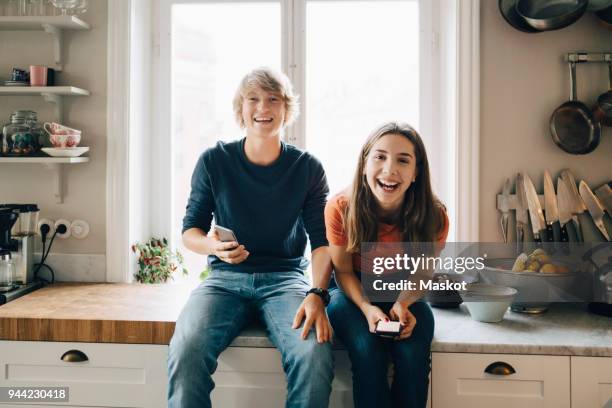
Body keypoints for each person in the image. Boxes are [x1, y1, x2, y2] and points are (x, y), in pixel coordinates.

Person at [168, 67, 335, 408]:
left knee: (313, 353)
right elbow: (190, 231)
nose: (264, 107)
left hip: (286, 281)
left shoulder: (308, 168)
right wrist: (212, 246)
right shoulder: (214, 161)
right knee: (186, 348)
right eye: (254, 99)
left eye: (274, 99)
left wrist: (317, 292)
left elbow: (322, 242)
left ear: (286, 110)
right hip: (224, 280)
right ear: (240, 110)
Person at [325, 121, 449, 408]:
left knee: (412, 356)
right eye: (379, 157)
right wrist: (368, 308)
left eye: (403, 160)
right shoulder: (341, 208)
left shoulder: (435, 215)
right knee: (368, 352)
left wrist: (404, 303)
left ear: (416, 172)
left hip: (403, 286)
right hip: (350, 288)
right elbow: (341, 270)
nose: (389, 170)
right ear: (364, 164)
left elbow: (423, 271)